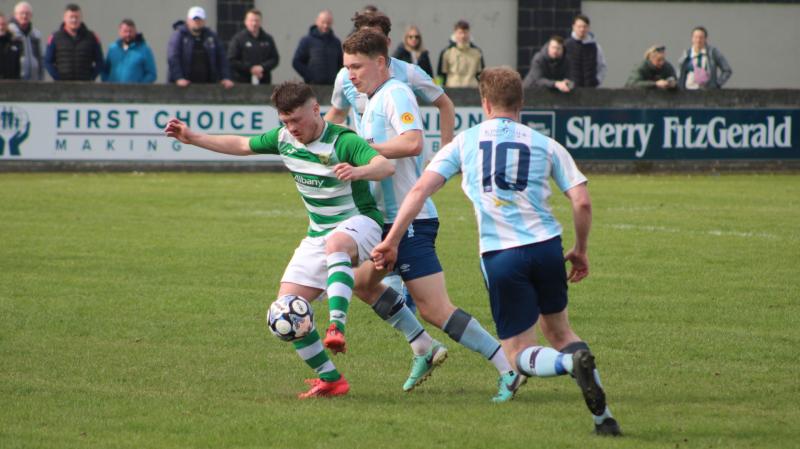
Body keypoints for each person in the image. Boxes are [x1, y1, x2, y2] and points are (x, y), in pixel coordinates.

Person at [372, 66, 622, 435]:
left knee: (518, 355)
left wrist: (392, 239)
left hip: (502, 256)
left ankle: (571, 366)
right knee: (562, 334)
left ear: (484, 103)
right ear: (522, 103)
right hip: (547, 248)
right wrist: (580, 249)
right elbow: (581, 202)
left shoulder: (465, 141)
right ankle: (604, 419)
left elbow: (418, 191)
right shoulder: (546, 144)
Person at [164, 81, 394, 399]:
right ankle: (332, 379)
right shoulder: (284, 139)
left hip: (361, 223)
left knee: (337, 244)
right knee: (285, 310)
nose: (291, 128)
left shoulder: (343, 140)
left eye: (296, 120)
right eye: (284, 121)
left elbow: (385, 165)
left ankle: (336, 326)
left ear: (315, 109)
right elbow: (242, 145)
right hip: (319, 233)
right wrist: (191, 138)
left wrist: (359, 171)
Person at [341, 29, 518, 402]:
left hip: (411, 220)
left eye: (356, 66)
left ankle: (507, 368)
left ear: (379, 62)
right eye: (347, 67)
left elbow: (412, 142)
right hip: (387, 220)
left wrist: (363, 147)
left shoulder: (396, 94)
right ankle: (422, 346)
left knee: (435, 309)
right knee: (361, 284)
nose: (351, 74)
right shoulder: (370, 99)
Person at [325, 11, 456, 315]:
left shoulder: (403, 79)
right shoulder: (348, 76)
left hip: (392, 162)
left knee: (427, 302)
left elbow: (442, 106)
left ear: (385, 45)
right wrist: (313, 143)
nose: (353, 71)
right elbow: (336, 114)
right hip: (369, 171)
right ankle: (417, 335)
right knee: (373, 256)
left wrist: (446, 151)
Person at [167, 6, 233, 89]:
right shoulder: (179, 36)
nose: (197, 22)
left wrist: (225, 77)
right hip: (183, 87)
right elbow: (173, 58)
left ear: (204, 21)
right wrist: (178, 78)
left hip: (207, 86)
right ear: (188, 20)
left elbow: (222, 58)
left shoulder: (212, 37)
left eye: (199, 20)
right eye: (194, 19)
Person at [44, 3, 103, 81]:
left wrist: (91, 77)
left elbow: (100, 61)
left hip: (85, 86)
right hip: (62, 86)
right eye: (71, 17)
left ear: (81, 18)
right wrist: (58, 78)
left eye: (76, 17)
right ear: (64, 18)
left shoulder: (91, 37)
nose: (74, 20)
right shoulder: (55, 37)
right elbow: (48, 61)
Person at [227, 8, 279, 85]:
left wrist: (262, 67)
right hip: (242, 82)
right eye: (251, 20)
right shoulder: (238, 39)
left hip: (264, 81)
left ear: (261, 22)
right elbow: (232, 60)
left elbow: (275, 58)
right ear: (246, 22)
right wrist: (250, 68)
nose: (254, 23)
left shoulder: (268, 39)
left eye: (257, 20)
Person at [292, 10, 342, 85]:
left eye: (328, 23)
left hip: (332, 86)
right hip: (313, 86)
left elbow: (341, 63)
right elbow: (296, 62)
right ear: (317, 22)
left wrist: (336, 78)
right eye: (323, 22)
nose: (325, 25)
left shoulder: (336, 42)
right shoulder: (307, 40)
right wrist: (309, 76)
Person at [101, 19, 156, 84]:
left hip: (135, 93)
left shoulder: (144, 50)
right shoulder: (113, 49)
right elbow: (105, 71)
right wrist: (108, 83)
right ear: (120, 32)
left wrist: (140, 87)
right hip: (114, 92)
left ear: (135, 32)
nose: (128, 34)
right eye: (125, 31)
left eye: (130, 31)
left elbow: (151, 74)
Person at [437, 20, 484, 88]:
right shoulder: (446, 52)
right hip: (451, 90)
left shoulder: (477, 52)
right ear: (455, 33)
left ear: (469, 33)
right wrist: (437, 90)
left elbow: (481, 75)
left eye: (465, 32)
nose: (463, 36)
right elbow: (440, 75)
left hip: (473, 90)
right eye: (460, 32)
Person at [564, 14, 606, 88]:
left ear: (588, 28)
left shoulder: (596, 47)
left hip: (591, 90)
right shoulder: (566, 46)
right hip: (570, 91)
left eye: (584, 26)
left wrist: (597, 81)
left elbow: (602, 66)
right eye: (579, 26)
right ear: (573, 27)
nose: (582, 29)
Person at [8, 1, 43, 80]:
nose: (24, 16)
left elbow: (40, 58)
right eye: (21, 13)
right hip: (16, 80)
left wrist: (41, 77)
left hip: (34, 80)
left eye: (27, 13)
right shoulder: (10, 33)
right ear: (15, 15)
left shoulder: (35, 34)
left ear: (31, 15)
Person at [0, 13, 22, 79]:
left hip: (11, 82)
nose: (1, 27)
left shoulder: (15, 43)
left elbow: (18, 65)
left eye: (3, 24)